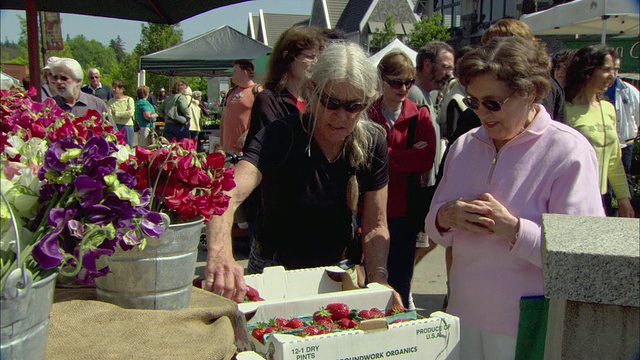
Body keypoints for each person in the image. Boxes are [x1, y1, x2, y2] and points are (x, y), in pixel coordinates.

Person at [425, 36, 604, 360]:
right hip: (461, 320)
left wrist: (514, 230)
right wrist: (446, 216)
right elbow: (434, 228)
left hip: (528, 326)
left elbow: (583, 259)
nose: (482, 113)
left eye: (493, 103)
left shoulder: (568, 151)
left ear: (531, 91)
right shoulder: (465, 146)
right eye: (474, 102)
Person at [204, 41, 400, 305]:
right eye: (331, 102)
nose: (341, 116)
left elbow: (376, 225)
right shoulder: (281, 135)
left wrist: (378, 277)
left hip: (336, 271)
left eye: (353, 106)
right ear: (312, 91)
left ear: (366, 103)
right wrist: (220, 255)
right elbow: (227, 193)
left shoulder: (373, 141)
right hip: (273, 270)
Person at [367, 51, 436, 308]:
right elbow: (363, 160)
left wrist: (383, 154)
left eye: (409, 82)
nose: (403, 88)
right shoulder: (367, 114)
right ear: (382, 80)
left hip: (405, 209)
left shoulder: (420, 115)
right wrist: (405, 155)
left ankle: (400, 328)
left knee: (401, 277)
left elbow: (425, 161)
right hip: (371, 207)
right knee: (370, 278)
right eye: (396, 82)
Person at [564, 44, 635, 218]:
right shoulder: (564, 109)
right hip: (569, 199)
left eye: (615, 70)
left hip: (599, 199)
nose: (613, 76)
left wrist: (623, 198)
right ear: (587, 71)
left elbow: (614, 160)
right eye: (606, 69)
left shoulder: (608, 109)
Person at [481, 18, 566, 123]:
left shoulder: (545, 86)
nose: (495, 51)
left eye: (504, 44)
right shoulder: (482, 82)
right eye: (490, 45)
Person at [603, 57, 640, 188]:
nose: (613, 73)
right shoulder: (594, 91)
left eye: (616, 69)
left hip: (625, 143)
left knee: (625, 177)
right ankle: (608, 208)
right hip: (603, 143)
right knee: (604, 180)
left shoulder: (629, 91)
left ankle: (627, 206)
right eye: (608, 69)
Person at [49, 58, 114, 127]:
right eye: (55, 78)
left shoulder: (97, 105)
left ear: (78, 81)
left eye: (64, 78)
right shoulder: (49, 106)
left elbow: (114, 134)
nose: (58, 82)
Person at [220, 59, 262, 154]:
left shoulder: (257, 91)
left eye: (235, 71)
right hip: (228, 149)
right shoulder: (231, 91)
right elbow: (224, 115)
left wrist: (246, 135)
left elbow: (261, 119)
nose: (232, 74)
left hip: (245, 149)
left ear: (244, 72)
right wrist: (221, 139)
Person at [107, 80, 135, 147]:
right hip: (115, 126)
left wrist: (117, 114)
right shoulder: (110, 102)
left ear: (122, 89)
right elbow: (109, 115)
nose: (113, 90)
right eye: (112, 88)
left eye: (115, 88)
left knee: (128, 147)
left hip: (127, 126)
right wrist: (125, 113)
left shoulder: (129, 100)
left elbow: (130, 113)